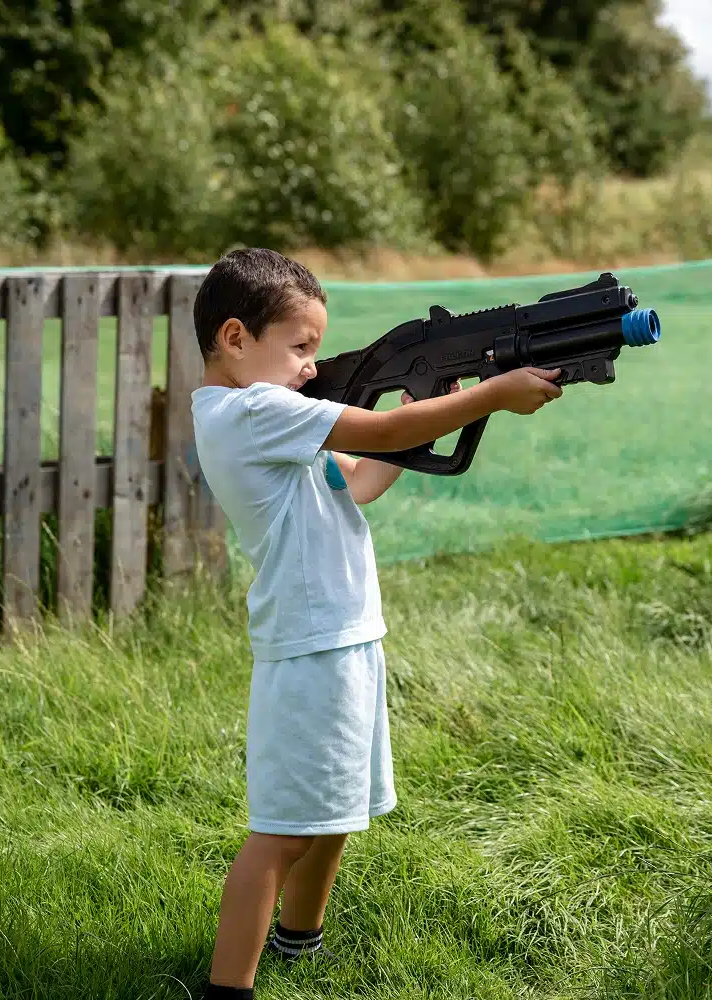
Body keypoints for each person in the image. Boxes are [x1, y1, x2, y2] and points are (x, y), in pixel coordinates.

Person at [190, 248, 562, 999]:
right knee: (285, 831)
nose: (308, 366)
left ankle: (299, 945)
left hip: (346, 633)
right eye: (299, 348)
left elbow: (360, 479)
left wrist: (429, 399)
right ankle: (227, 989)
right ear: (235, 339)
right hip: (310, 643)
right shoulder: (251, 412)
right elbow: (381, 434)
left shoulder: (279, 426)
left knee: (333, 813)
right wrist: (487, 395)